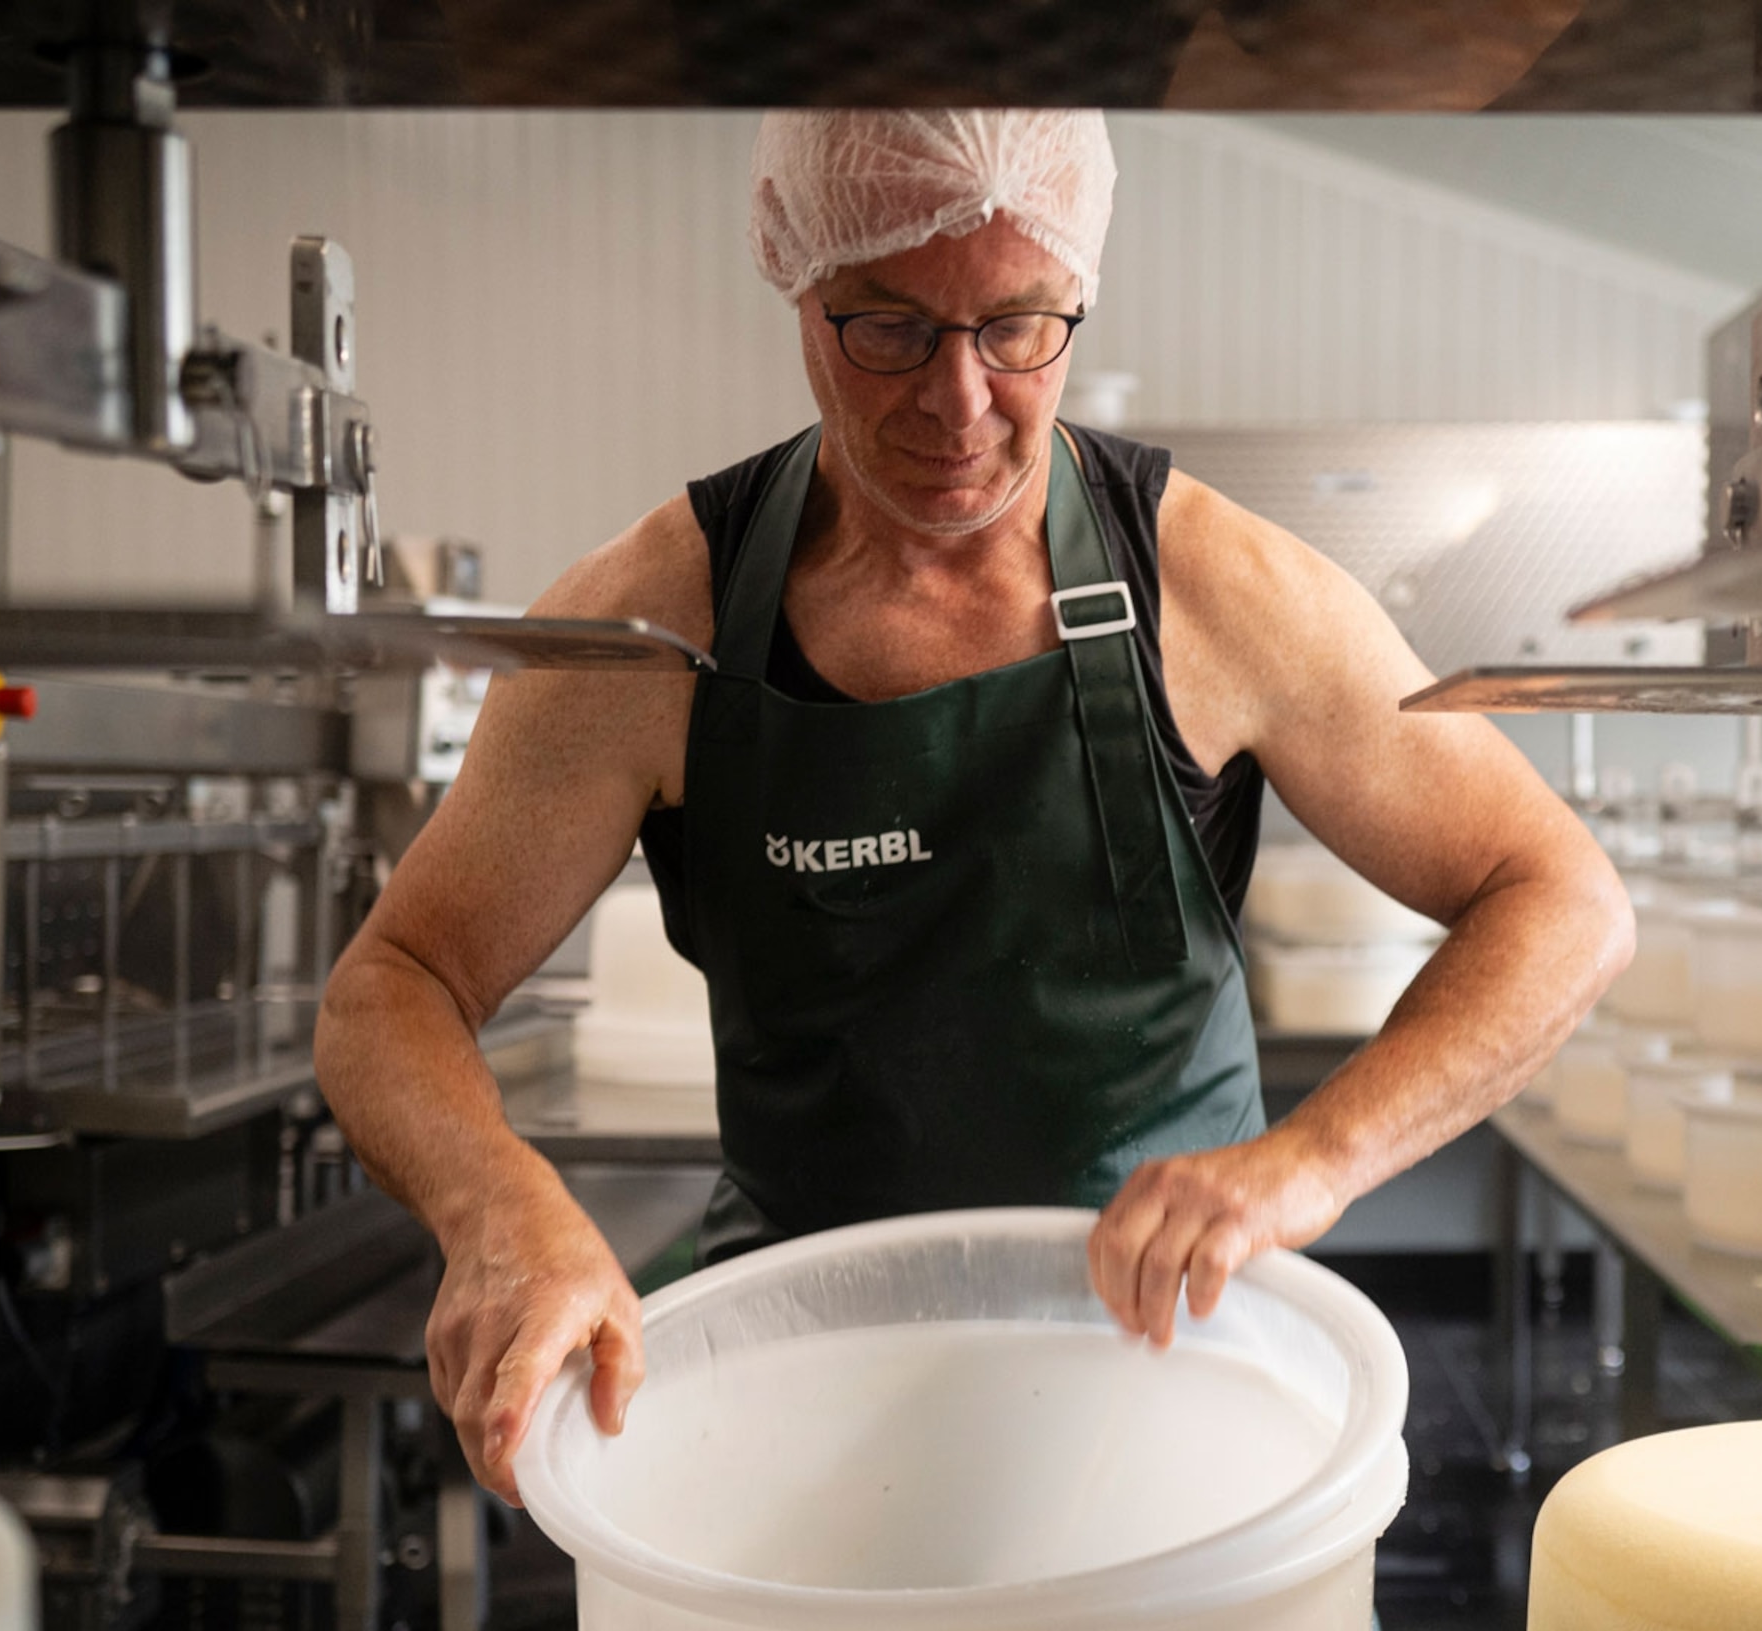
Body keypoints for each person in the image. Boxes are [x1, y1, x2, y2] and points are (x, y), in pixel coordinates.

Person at [314, 109, 1630, 1506]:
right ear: (795, 281)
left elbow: (1559, 896)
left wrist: (1310, 1162)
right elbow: (394, 984)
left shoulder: (1212, 591)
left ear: (1078, 296)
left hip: (1171, 1395)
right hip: (804, 1400)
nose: (958, 403)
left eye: (1016, 329)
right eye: (885, 327)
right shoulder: (658, 624)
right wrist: (503, 1213)